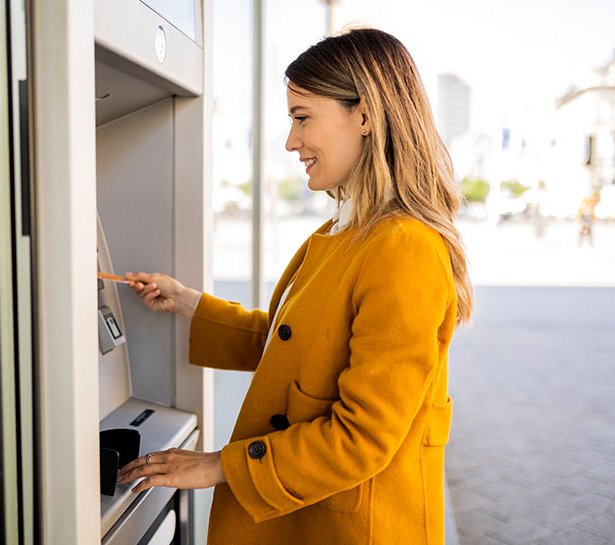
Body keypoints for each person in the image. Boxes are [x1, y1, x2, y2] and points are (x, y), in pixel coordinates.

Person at [118, 27, 472, 545]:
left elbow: (362, 438)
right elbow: (300, 348)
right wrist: (190, 302)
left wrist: (218, 465)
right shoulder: (344, 230)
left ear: (367, 115)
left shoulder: (405, 248)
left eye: (302, 118)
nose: (290, 141)